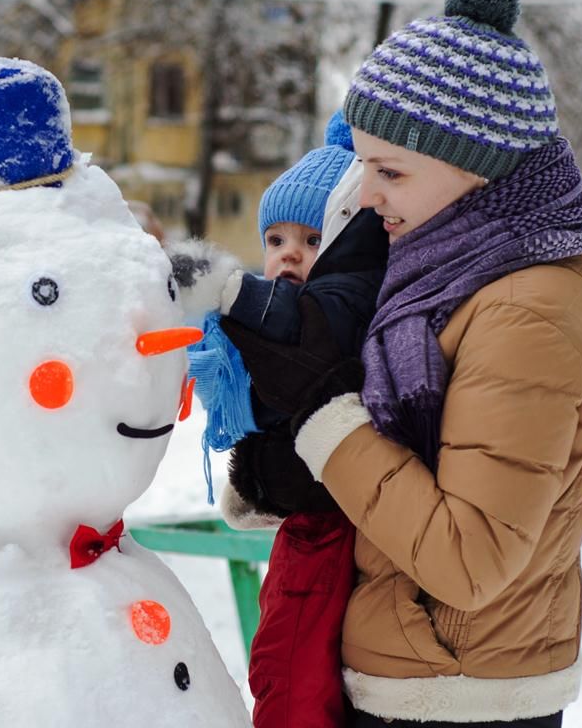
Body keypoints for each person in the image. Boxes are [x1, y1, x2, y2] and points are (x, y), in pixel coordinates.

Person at [221, 0, 582, 727]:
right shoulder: (457, 280)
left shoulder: (527, 315)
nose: (367, 195)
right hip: (426, 679)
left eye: (390, 171)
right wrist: (297, 472)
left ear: (473, 165)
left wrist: (324, 418)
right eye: (365, 168)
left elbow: (466, 559)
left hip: (458, 697)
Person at [181, 111, 388, 728]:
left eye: (312, 239)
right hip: (305, 523)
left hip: (324, 528)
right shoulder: (275, 324)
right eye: (276, 241)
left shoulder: (338, 308)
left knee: (290, 662)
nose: (290, 255)